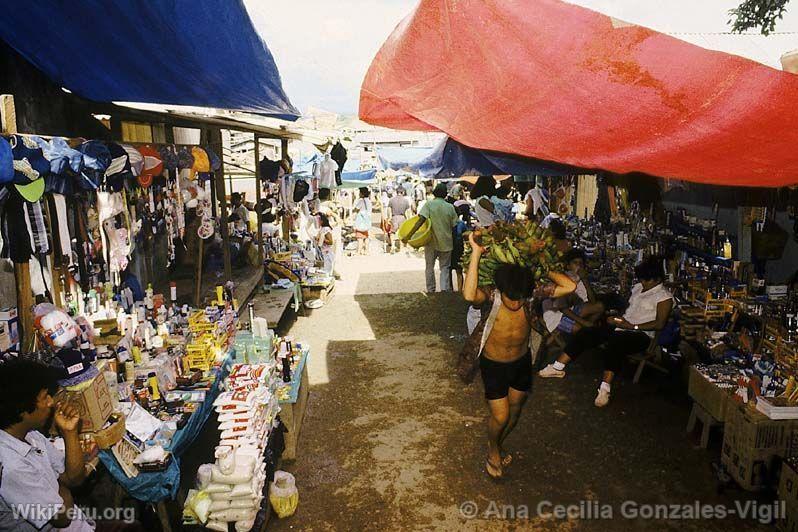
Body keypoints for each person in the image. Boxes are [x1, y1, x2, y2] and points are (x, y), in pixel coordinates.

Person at [462, 232, 575, 479]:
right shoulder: (491, 295)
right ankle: (493, 450)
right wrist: (476, 253)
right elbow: (469, 295)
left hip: (521, 363)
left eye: (520, 298)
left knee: (514, 411)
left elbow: (570, 286)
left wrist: (540, 259)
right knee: (500, 415)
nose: (516, 303)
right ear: (501, 289)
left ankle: (499, 442)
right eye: (511, 298)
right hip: (493, 364)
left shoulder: (530, 292)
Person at [538, 256, 674, 407]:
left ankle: (604, 389)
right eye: (642, 279)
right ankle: (557, 367)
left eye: (646, 280)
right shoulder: (637, 288)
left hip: (640, 334)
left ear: (657, 279)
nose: (643, 283)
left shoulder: (664, 297)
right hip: (621, 326)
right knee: (588, 332)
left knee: (616, 344)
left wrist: (631, 326)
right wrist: (616, 318)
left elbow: (659, 324)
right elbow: (629, 309)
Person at [0, 359, 93, 531]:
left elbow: (75, 479)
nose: (51, 402)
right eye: (44, 397)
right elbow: (63, 516)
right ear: (22, 409)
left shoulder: (30, 435)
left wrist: (70, 433)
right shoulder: (11, 467)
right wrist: (59, 482)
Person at [538, 248, 605, 348]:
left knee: (599, 306)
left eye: (581, 263)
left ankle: (586, 335)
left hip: (572, 309)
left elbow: (592, 301)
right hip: (556, 314)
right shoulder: (563, 279)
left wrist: (585, 279)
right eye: (575, 263)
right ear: (568, 265)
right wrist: (583, 322)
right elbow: (561, 307)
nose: (579, 266)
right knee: (580, 328)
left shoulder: (578, 278)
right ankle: (575, 337)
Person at [402, 183, 458, 292]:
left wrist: (409, 235)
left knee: (429, 267)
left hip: (430, 241)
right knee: (445, 267)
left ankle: (431, 289)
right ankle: (444, 289)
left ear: (434, 193)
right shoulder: (450, 207)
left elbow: (420, 221)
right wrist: (455, 240)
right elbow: (454, 226)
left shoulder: (429, 205)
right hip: (446, 241)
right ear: (445, 194)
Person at [450, 203, 470, 292]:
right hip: (459, 249)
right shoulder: (461, 224)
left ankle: (450, 289)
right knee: (459, 271)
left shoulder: (447, 224)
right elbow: (466, 236)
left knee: (448, 270)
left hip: (449, 248)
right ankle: (459, 289)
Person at [387, 187, 412, 253]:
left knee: (392, 232)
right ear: (403, 192)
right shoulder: (405, 200)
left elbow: (389, 210)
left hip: (394, 217)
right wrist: (409, 219)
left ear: (396, 192)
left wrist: (389, 218)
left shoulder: (391, 200)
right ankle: (401, 247)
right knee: (401, 233)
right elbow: (408, 211)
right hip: (402, 217)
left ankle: (392, 246)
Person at [352, 187, 373, 256]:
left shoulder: (361, 201)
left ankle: (359, 251)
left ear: (362, 194)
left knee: (360, 237)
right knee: (366, 236)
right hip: (367, 221)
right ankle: (366, 251)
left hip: (361, 221)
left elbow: (356, 209)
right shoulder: (369, 201)